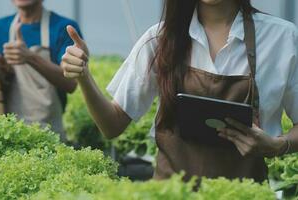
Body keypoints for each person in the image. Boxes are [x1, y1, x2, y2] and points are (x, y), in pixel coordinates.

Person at [61, 0, 298, 182]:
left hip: (243, 194)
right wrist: (84, 76)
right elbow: (112, 124)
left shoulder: (282, 38)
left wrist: (279, 145)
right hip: (171, 192)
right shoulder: (160, 39)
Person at [0, 0, 82, 141]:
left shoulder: (63, 28)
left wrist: (31, 57)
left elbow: (71, 83)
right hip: (9, 134)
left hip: (49, 135)